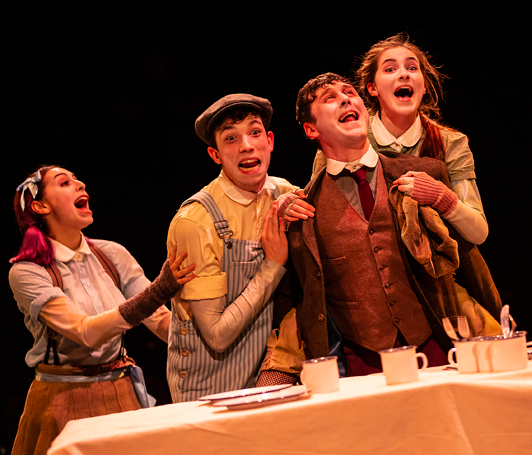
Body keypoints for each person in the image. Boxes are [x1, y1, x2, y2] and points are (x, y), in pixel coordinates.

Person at [256, 73, 501, 385]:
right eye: (330, 98)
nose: (345, 98)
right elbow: (302, 299)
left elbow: (469, 262)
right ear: (311, 129)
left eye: (349, 93)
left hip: (436, 352)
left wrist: (442, 197)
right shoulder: (304, 210)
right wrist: (276, 375)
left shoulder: (424, 174)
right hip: (361, 367)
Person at [9, 165, 194, 455]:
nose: (80, 184)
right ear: (40, 205)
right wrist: (159, 291)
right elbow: (85, 332)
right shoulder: (27, 272)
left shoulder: (112, 254)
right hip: (63, 399)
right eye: (64, 182)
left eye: (76, 179)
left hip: (121, 391)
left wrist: (215, 340)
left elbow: (161, 322)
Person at [165, 94, 315, 401]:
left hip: (269, 376)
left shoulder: (282, 191)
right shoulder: (196, 221)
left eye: (254, 132)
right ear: (215, 154)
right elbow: (217, 335)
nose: (246, 145)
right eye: (231, 138)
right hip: (211, 389)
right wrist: (273, 265)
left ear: (270, 141)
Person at [311, 33, 488, 246]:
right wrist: (291, 201)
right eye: (390, 69)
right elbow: (316, 212)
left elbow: (479, 232)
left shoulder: (450, 142)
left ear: (423, 86)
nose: (404, 74)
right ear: (372, 88)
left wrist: (441, 197)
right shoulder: (344, 137)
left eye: (412, 68)